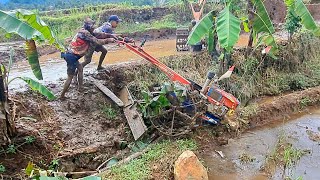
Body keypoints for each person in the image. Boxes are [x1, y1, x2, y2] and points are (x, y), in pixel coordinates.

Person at [60, 18, 115, 99]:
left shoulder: (86, 31)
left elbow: (98, 34)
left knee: (80, 68)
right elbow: (97, 41)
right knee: (70, 77)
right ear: (89, 27)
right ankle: (62, 96)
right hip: (71, 56)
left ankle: (80, 88)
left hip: (71, 54)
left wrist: (110, 35)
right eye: (92, 26)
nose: (94, 27)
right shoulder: (85, 33)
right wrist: (108, 40)